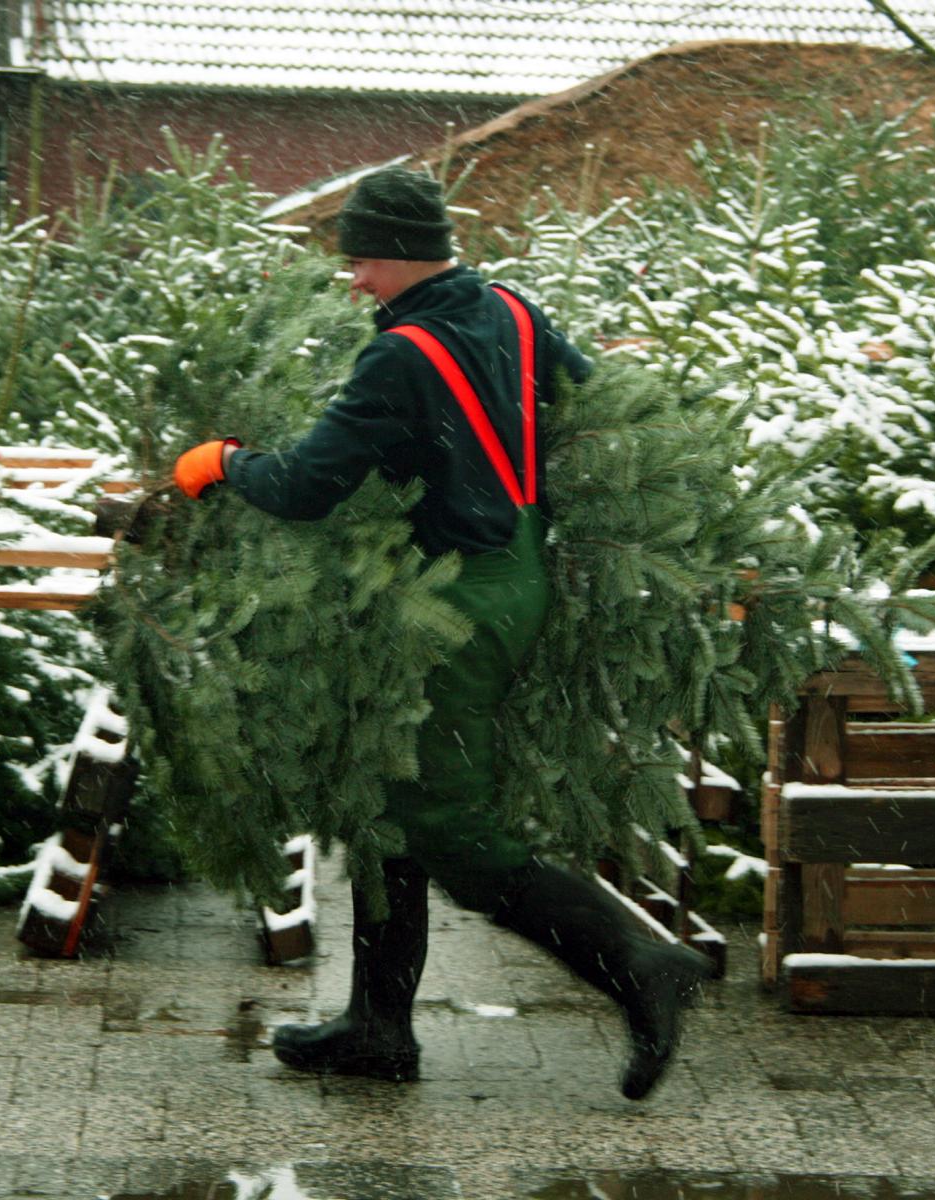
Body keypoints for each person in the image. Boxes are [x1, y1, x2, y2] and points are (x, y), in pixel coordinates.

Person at [172, 166, 712, 1101]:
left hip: (458, 604)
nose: (352, 281)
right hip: (516, 571)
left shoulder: (400, 356)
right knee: (388, 798)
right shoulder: (509, 307)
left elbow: (304, 487)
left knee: (450, 828)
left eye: (361, 263)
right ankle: (377, 1027)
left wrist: (222, 462)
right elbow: (583, 400)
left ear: (398, 257)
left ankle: (637, 964)